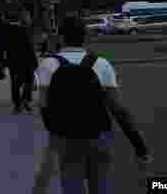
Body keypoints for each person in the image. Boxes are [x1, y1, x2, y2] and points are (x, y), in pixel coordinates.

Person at [35, 15, 153, 194]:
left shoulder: (47, 65)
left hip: (66, 138)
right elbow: (118, 109)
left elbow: (43, 106)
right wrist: (139, 146)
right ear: (85, 37)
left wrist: (56, 133)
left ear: (61, 36)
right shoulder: (101, 64)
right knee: (101, 185)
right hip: (99, 135)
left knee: (72, 184)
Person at [3, 14, 38, 114]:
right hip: (27, 61)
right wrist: (34, 62)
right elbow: (30, 47)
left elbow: (2, 47)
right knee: (28, 82)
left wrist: (2, 61)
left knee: (15, 83)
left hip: (13, 61)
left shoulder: (5, 31)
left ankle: (17, 105)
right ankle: (25, 101)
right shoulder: (25, 30)